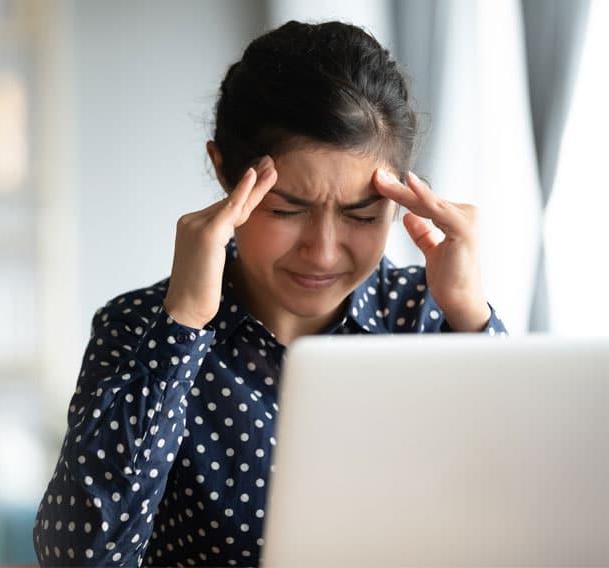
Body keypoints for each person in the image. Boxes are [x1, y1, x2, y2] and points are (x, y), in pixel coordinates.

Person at [32, 19, 508, 567]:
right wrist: (182, 327)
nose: (324, 252)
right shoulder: (139, 327)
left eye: (362, 214)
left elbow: (521, 524)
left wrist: (473, 320)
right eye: (286, 210)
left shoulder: (428, 316)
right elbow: (80, 556)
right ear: (224, 175)